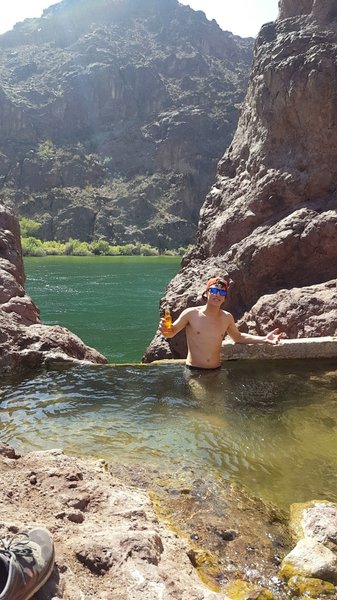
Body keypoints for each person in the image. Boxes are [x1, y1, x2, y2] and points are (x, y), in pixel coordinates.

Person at [160, 276, 284, 370]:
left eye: (222, 292)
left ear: (224, 298)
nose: (217, 295)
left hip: (216, 370)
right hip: (194, 371)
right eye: (214, 290)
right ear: (206, 293)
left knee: (220, 403)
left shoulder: (227, 317)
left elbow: (238, 337)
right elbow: (171, 333)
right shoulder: (190, 314)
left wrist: (264, 339)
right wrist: (166, 330)